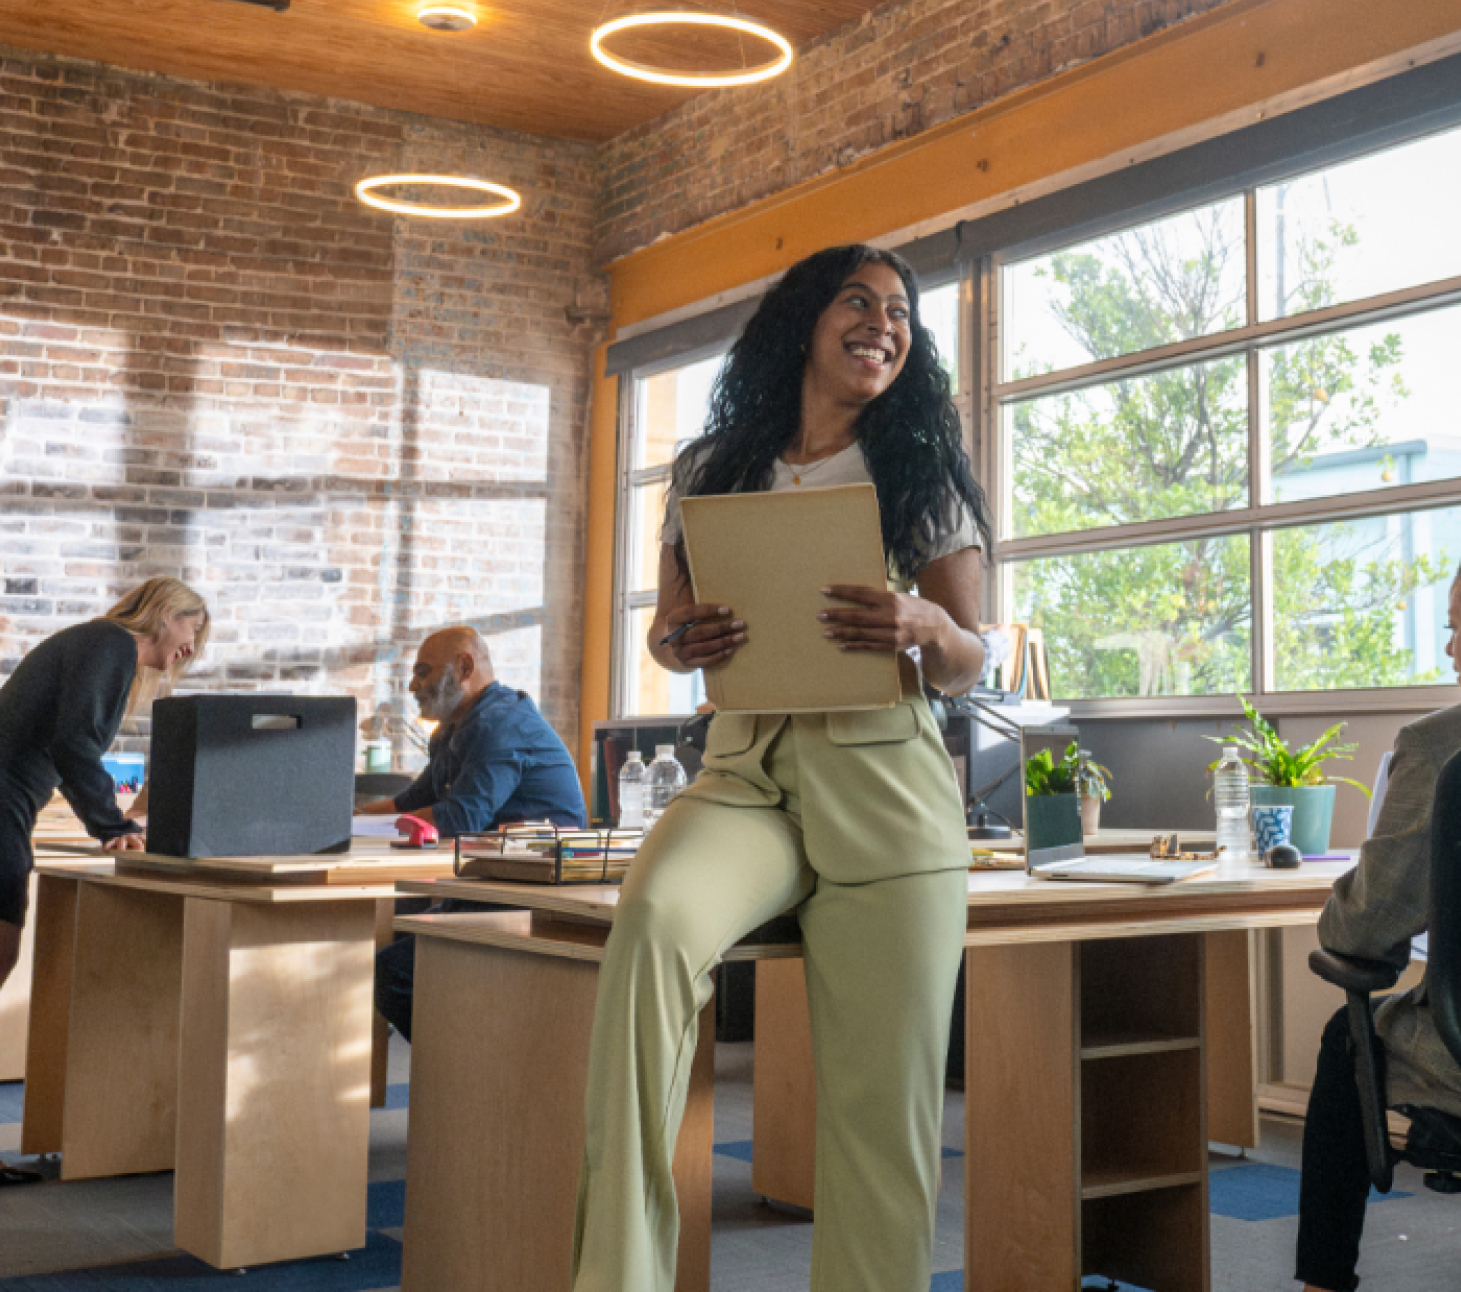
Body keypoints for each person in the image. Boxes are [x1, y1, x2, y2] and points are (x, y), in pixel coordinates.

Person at [571, 245, 991, 1292]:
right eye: (859, 300)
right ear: (804, 319)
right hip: (745, 771)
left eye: (900, 312)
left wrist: (921, 618)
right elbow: (666, 633)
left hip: (887, 782)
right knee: (655, 925)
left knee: (882, 1110)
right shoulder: (711, 467)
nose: (883, 323)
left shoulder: (916, 468)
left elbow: (971, 650)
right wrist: (682, 640)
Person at [1296, 535, 1461, 1292]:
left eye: (1456, 627)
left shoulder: (1442, 743)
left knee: (1348, 1039)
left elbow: (1364, 931)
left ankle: (1323, 1284)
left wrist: (1345, 913)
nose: (1449, 649)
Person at [364, 626, 586, 1040]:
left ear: (464, 667)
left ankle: (460, 1068)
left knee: (392, 970)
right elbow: (412, 800)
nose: (413, 685)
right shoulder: (455, 729)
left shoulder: (499, 725)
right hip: (492, 888)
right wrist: (349, 819)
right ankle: (460, 1065)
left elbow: (460, 817)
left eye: (423, 672)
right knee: (382, 949)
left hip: (536, 902)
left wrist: (357, 826)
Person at [0, 577, 210, 995]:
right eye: (195, 627)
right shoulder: (111, 643)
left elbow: (71, 745)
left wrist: (119, 818)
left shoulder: (104, 646)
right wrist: (112, 826)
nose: (193, 645)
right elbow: (74, 746)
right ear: (167, 613)